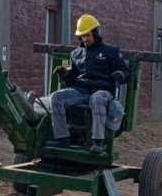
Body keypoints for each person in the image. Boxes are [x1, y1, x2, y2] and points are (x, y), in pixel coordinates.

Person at [47, 14, 130, 154]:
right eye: (83, 36)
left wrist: (120, 75)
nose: (85, 39)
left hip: (103, 91)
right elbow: (72, 80)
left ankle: (98, 141)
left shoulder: (110, 52)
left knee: (96, 98)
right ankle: (62, 138)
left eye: (88, 35)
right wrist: (65, 75)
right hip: (81, 91)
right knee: (56, 97)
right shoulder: (76, 54)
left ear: (96, 33)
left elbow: (125, 72)